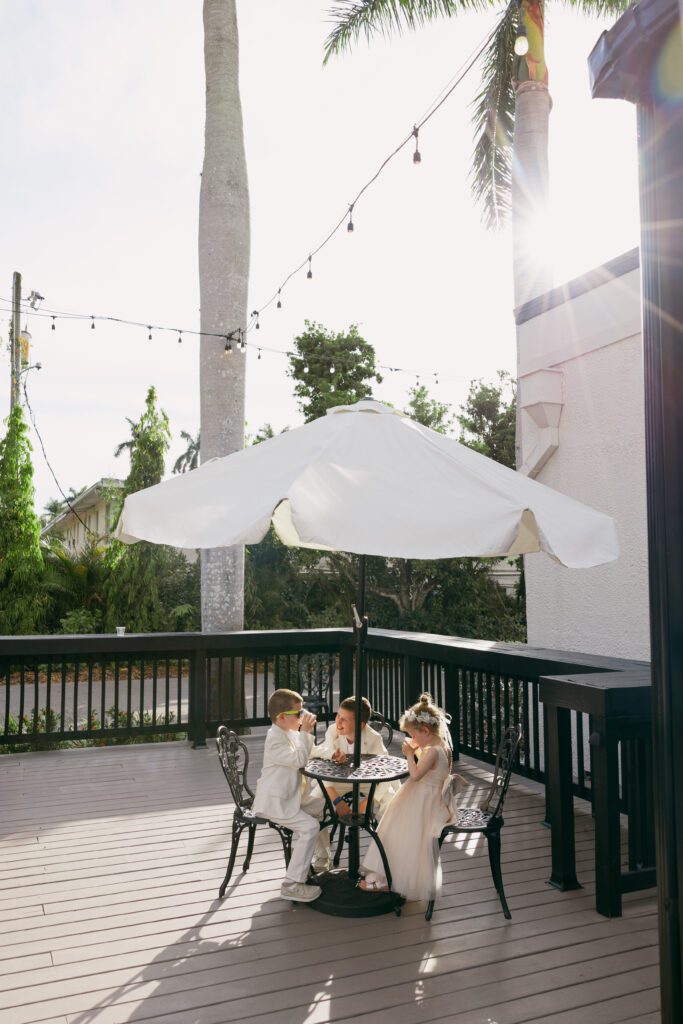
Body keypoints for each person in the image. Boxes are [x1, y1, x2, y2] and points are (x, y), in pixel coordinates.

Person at [358, 692, 468, 901]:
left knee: (394, 829)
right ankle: (390, 876)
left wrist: (409, 754)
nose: (411, 739)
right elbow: (434, 772)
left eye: (413, 735)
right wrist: (418, 750)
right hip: (432, 796)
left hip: (422, 799)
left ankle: (387, 878)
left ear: (425, 730)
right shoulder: (442, 745)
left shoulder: (434, 751)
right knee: (395, 826)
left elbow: (416, 775)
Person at [252, 688, 331, 903]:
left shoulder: (289, 733)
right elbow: (299, 760)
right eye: (298, 714)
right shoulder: (274, 740)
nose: (302, 716)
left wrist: (332, 754)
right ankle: (292, 883)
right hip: (276, 803)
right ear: (281, 717)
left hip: (292, 798)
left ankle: (320, 859)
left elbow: (310, 751)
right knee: (310, 827)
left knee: (326, 807)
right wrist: (305, 732)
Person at [315, 696, 397, 818]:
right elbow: (323, 764)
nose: (338, 722)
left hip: (367, 781)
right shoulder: (332, 731)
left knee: (391, 800)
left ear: (361, 725)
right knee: (315, 801)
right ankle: (320, 836)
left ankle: (381, 836)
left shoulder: (373, 738)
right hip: (338, 780)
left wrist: (367, 803)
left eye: (344, 719)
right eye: (338, 716)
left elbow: (387, 770)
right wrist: (337, 801)